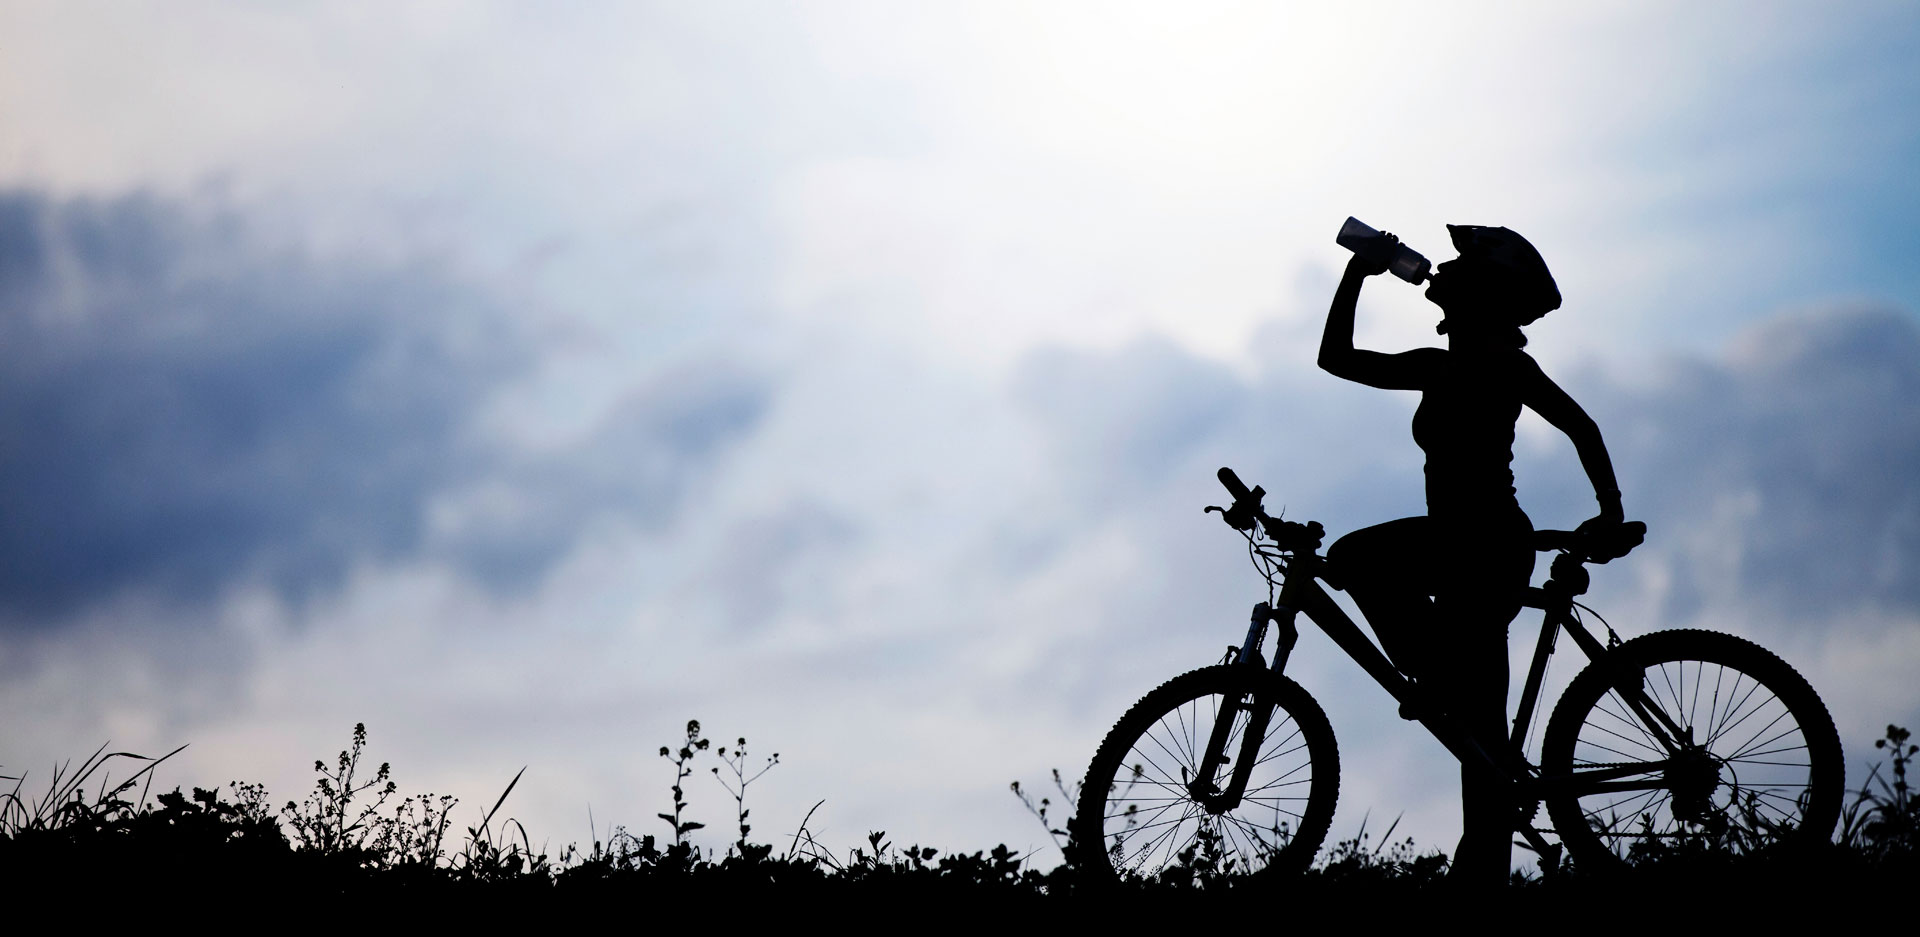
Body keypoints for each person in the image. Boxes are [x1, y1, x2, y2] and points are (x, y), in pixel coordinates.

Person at [1316, 224, 1625, 885]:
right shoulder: (1439, 365)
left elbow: (1582, 426)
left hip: (1485, 543)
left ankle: (1434, 676)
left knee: (1355, 558)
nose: (1443, 270)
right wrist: (1357, 273)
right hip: (1462, 544)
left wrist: (1611, 510)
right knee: (1479, 736)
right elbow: (1336, 359)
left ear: (1483, 292)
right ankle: (1481, 875)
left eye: (1461, 265)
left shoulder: (1503, 365)